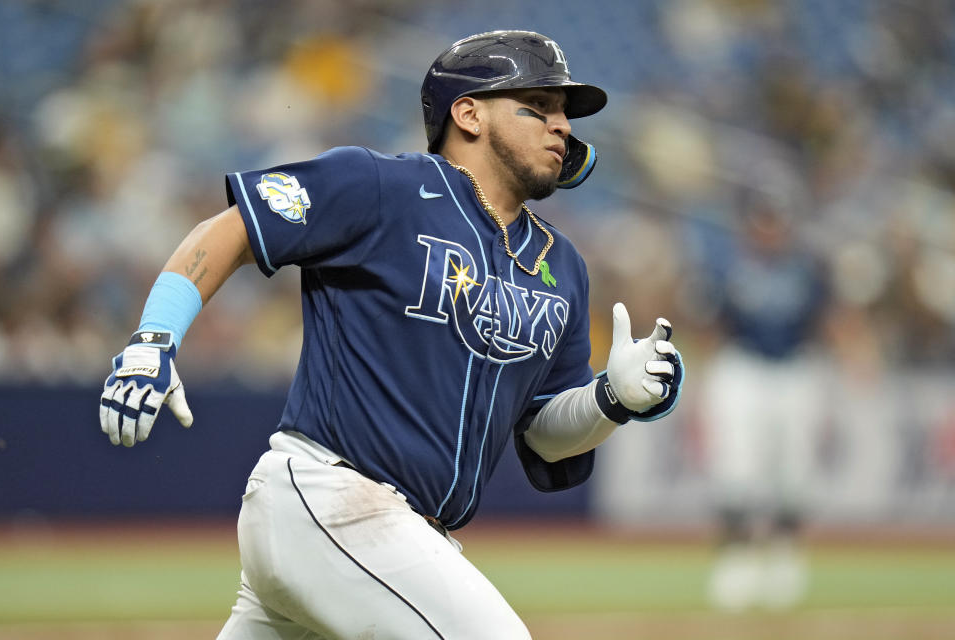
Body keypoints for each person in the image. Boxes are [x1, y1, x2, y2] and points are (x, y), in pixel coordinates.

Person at [98, 30, 683, 639]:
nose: (562, 125)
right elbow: (233, 230)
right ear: (468, 113)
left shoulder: (562, 266)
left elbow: (541, 436)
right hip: (329, 497)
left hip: (391, 533)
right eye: (539, 104)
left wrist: (613, 401)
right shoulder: (382, 185)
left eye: (566, 112)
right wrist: (152, 342)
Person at [697, 181, 829, 612]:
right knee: (735, 468)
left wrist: (853, 362)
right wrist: (699, 375)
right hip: (744, 365)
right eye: (762, 218)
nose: (769, 228)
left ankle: (785, 559)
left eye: (775, 219)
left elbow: (827, 320)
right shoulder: (729, 266)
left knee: (793, 471)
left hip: (795, 366)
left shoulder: (807, 267)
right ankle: (737, 560)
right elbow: (714, 325)